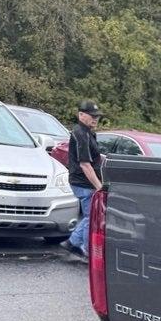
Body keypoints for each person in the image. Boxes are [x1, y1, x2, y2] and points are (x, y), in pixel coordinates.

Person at [65, 100, 104, 259]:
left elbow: (94, 158)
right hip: (83, 183)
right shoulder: (81, 134)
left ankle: (72, 243)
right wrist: (99, 186)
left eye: (97, 117)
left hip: (84, 182)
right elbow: (85, 164)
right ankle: (87, 251)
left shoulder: (87, 132)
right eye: (92, 116)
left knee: (89, 216)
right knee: (91, 218)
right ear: (81, 115)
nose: (95, 119)